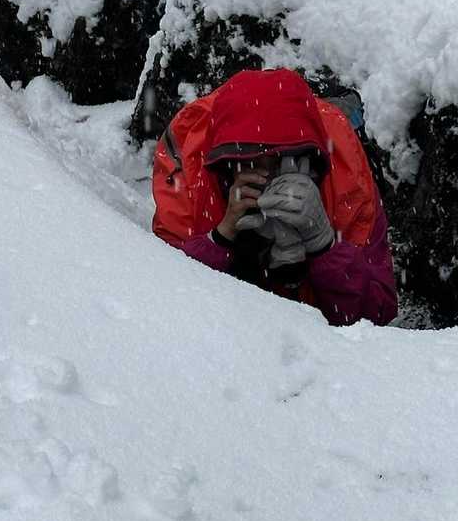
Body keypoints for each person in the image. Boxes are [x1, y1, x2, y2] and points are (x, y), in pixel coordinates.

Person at [151, 67, 397, 327]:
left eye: (280, 163)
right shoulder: (190, 177)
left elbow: (377, 314)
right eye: (253, 166)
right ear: (226, 166)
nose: (270, 183)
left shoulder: (347, 179)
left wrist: (323, 245)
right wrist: (220, 238)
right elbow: (165, 306)